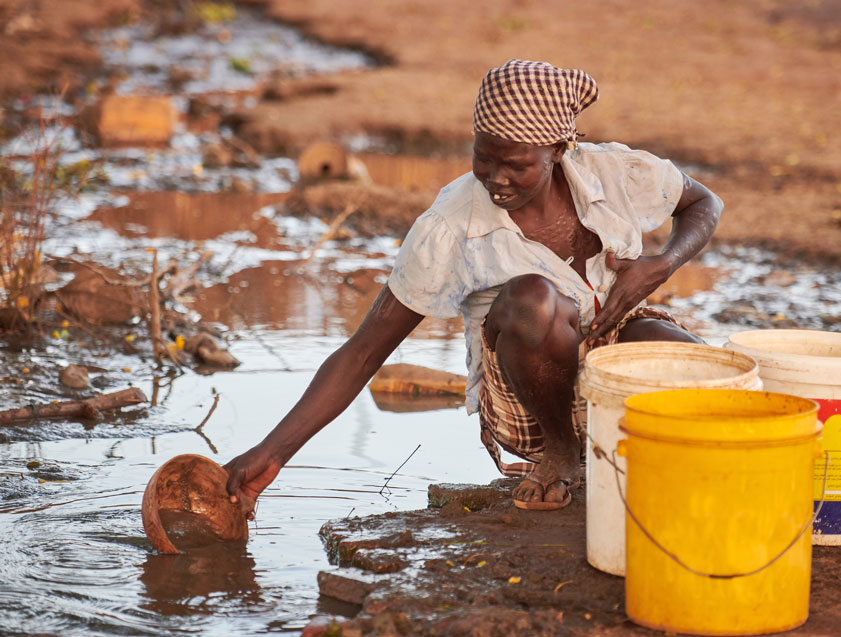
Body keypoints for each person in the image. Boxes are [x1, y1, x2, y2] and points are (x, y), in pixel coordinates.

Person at [224, 59, 723, 513]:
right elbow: (362, 352)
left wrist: (662, 264)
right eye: (484, 158)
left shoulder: (610, 172)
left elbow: (706, 205)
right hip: (528, 397)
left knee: (705, 372)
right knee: (532, 299)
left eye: (516, 165)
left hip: (611, 359)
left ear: (557, 149)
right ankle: (560, 453)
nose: (496, 179)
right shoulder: (449, 226)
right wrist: (270, 456)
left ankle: (631, 454)